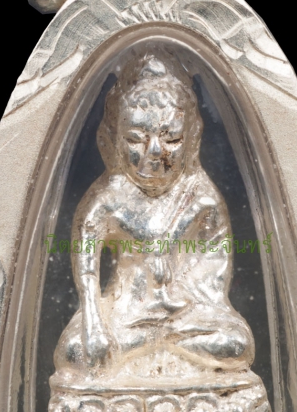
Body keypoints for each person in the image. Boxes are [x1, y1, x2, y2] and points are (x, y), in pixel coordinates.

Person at [52, 50, 255, 386]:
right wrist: (95, 324)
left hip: (187, 315)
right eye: (136, 139)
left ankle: (153, 343)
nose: (155, 153)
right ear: (113, 139)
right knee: (74, 351)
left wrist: (183, 309)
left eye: (172, 139)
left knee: (236, 345)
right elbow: (87, 271)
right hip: (126, 315)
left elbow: (214, 278)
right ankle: (153, 343)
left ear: (191, 138)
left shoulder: (201, 197)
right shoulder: (106, 199)